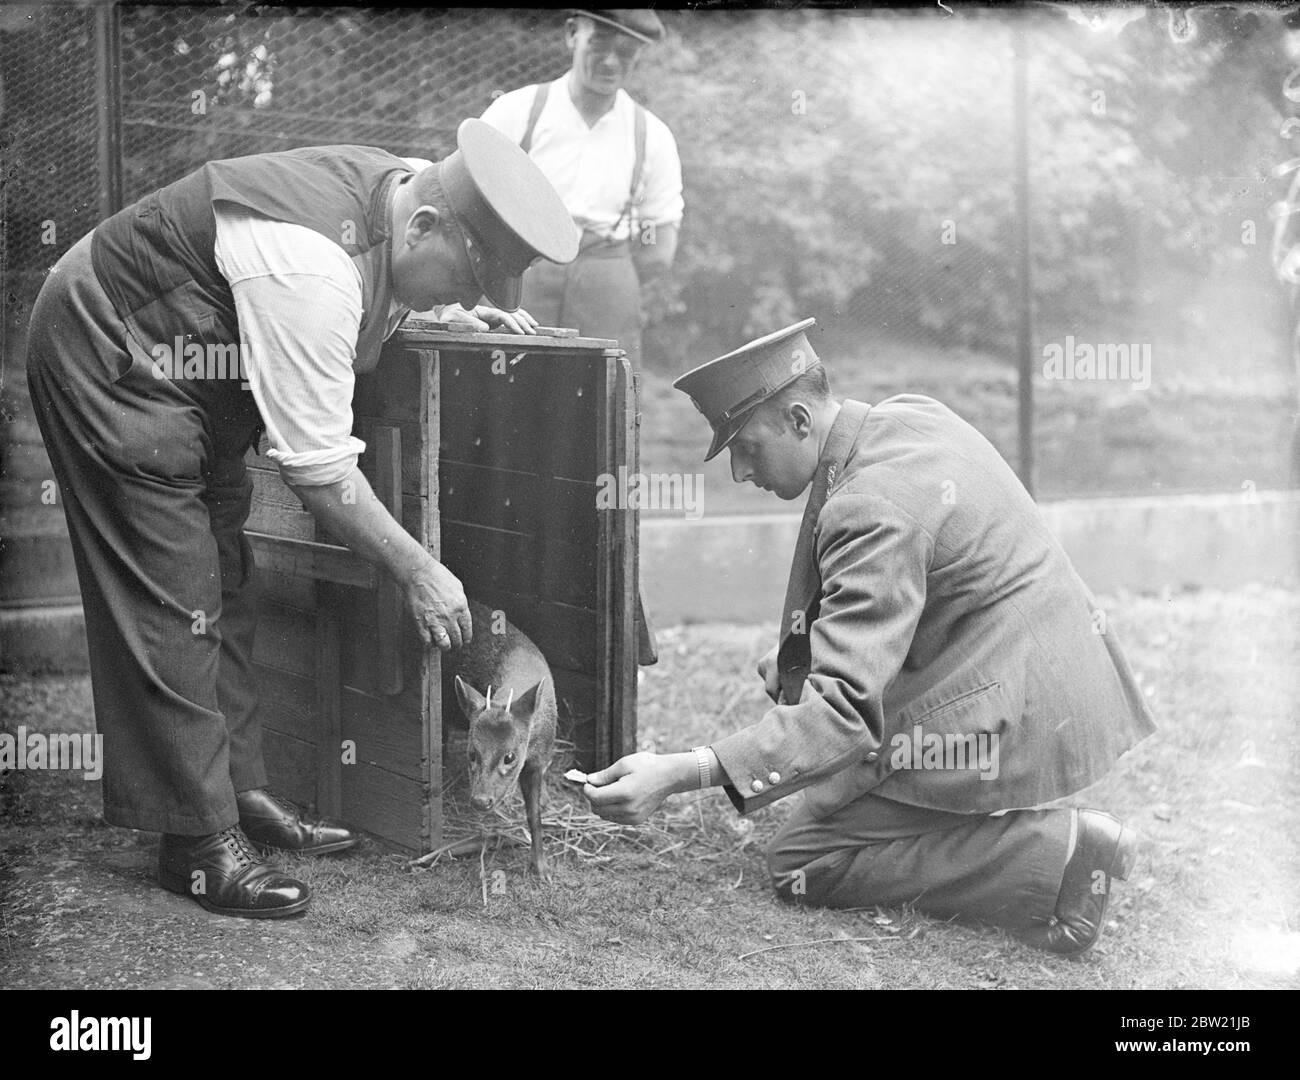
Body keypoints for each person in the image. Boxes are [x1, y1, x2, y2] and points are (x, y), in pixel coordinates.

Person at [25, 119, 578, 919]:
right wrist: (418, 568)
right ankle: (197, 846)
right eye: (461, 283)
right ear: (422, 226)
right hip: (110, 345)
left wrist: (433, 314)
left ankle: (239, 792)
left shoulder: (404, 194)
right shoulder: (312, 267)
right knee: (174, 595)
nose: (461, 300)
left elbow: (380, 293)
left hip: (193, 367)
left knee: (227, 576)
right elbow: (320, 471)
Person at [584, 319, 1157, 956]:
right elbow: (925, 586)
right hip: (1044, 664)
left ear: (799, 420)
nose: (742, 473)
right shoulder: (905, 418)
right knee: (832, 802)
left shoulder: (871, 504)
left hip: (1019, 706)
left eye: (746, 447)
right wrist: (802, 653)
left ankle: (1067, 850)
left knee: (806, 859)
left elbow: (843, 713)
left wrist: (683, 770)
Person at [479, 8, 683, 367]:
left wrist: (607, 273)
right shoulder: (515, 111)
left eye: (625, 52)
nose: (610, 61)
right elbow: (466, 207)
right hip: (518, 278)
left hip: (606, 287)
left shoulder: (653, 136)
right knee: (504, 399)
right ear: (573, 33)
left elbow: (659, 248)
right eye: (599, 43)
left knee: (600, 406)